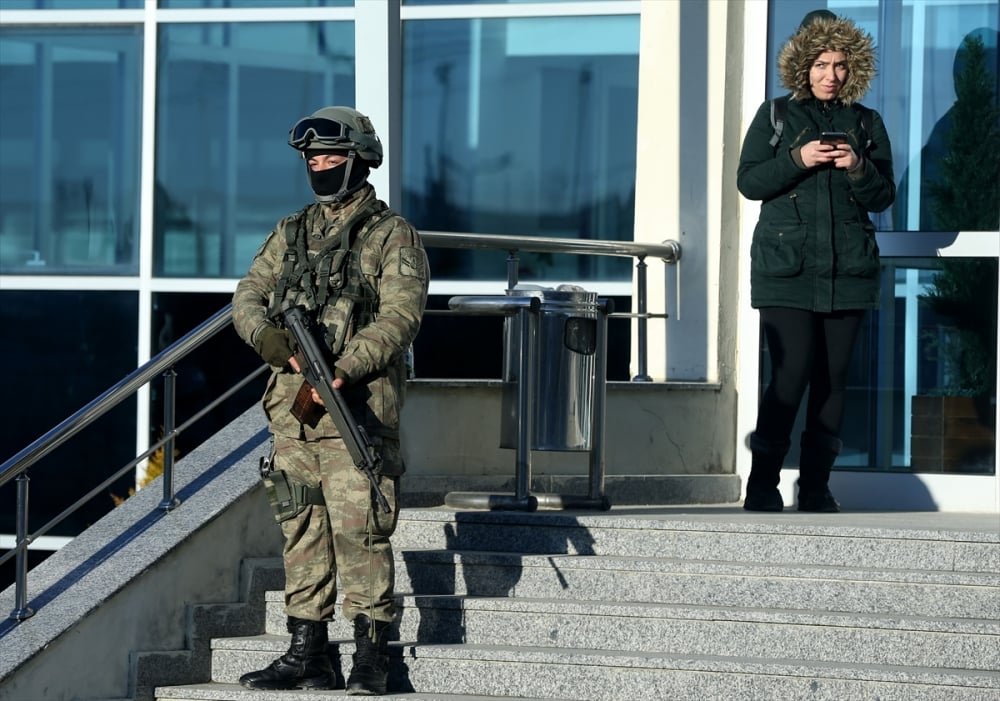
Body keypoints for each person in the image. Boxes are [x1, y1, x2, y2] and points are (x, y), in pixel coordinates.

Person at [232, 106, 429, 694]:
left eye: (330, 157)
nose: (318, 166)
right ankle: (307, 649)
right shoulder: (291, 232)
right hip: (294, 414)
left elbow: (401, 316)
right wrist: (271, 342)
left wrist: (341, 369)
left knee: (360, 530)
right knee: (300, 526)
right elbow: (248, 294)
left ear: (359, 159)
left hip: (355, 411)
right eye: (311, 159)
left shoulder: (391, 234)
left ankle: (372, 654)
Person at [736, 10, 895, 513]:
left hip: (848, 271)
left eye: (841, 65)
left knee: (833, 383)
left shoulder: (867, 122)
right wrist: (797, 160)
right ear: (803, 65)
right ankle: (762, 486)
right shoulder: (776, 116)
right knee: (789, 375)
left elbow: (884, 196)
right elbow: (749, 182)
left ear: (854, 68)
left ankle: (816, 487)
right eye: (822, 63)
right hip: (787, 271)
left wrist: (857, 166)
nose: (831, 74)